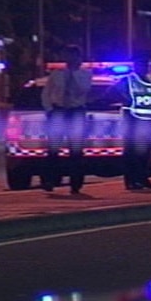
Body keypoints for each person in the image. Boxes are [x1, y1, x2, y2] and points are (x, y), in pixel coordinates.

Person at [41, 45, 92, 194]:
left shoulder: (85, 74)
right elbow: (47, 92)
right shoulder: (56, 74)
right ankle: (50, 180)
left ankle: (75, 183)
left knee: (75, 149)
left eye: (73, 56)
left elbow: (82, 90)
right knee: (53, 148)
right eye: (67, 56)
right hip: (58, 111)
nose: (70, 60)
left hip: (76, 111)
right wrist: (49, 110)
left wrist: (72, 75)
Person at [111, 55, 151, 190]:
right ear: (135, 66)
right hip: (133, 120)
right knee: (133, 153)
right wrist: (125, 100)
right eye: (143, 64)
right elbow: (112, 93)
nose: (146, 67)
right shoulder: (128, 80)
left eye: (147, 64)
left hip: (150, 121)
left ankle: (144, 179)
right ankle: (132, 181)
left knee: (145, 153)